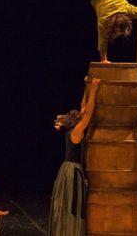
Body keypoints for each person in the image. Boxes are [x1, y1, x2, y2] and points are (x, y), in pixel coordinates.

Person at [49, 77, 101, 236]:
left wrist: (86, 86)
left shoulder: (72, 130)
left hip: (69, 169)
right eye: (79, 115)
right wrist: (93, 90)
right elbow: (89, 112)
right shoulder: (77, 131)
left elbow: (83, 107)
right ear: (77, 119)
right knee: (73, 205)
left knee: (71, 205)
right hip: (72, 171)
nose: (81, 113)